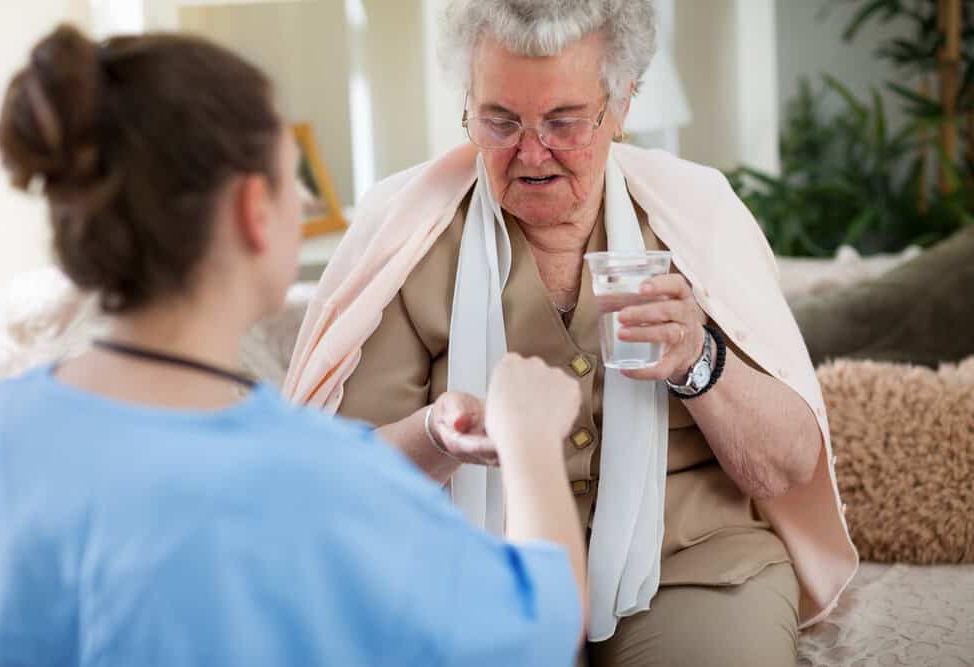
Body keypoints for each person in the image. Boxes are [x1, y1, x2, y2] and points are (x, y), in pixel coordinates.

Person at [0, 25, 587, 666]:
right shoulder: (309, 481)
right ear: (251, 210)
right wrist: (533, 445)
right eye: (287, 174)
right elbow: (540, 631)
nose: (303, 197)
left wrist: (431, 434)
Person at [284, 1, 857, 665]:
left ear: (622, 104)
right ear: (468, 103)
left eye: (563, 122)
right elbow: (334, 479)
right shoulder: (407, 237)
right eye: (500, 121)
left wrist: (699, 359)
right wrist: (436, 436)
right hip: (471, 571)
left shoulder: (698, 218)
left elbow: (788, 466)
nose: (531, 154)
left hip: (694, 565)